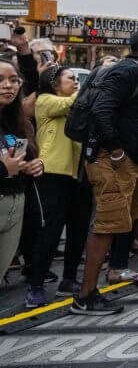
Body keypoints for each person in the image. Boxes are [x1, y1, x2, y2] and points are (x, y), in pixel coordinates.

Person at [72, 26, 138, 315]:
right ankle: (86, 295)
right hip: (113, 160)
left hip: (132, 160)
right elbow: (101, 110)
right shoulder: (128, 71)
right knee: (107, 224)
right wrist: (116, 150)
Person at [27, 66, 89, 306]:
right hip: (52, 173)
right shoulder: (45, 101)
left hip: (79, 172)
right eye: (70, 79)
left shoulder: (77, 103)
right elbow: (70, 105)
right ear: (54, 84)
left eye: (77, 79)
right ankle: (36, 285)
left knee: (79, 228)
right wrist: (87, 87)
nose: (76, 82)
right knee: (50, 231)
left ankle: (69, 278)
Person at [0, 59, 42, 302]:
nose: (8, 86)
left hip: (16, 204)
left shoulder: (18, 121)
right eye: (1, 81)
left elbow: (32, 156)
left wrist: (37, 164)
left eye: (13, 80)